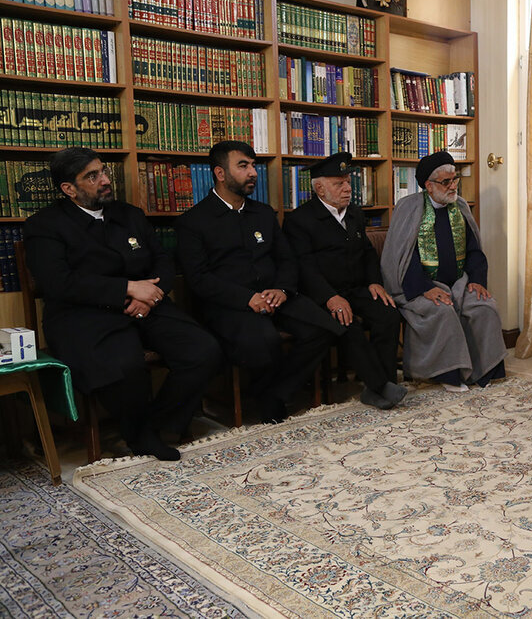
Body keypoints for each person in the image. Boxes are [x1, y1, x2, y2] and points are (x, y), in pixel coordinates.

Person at [174, 141, 405, 423]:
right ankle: (267, 399)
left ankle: (281, 391)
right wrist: (247, 298)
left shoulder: (262, 213)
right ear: (220, 174)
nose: (253, 173)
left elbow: (287, 259)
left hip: (278, 296)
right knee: (264, 339)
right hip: (231, 305)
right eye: (243, 166)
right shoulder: (193, 221)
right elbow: (199, 279)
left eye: (253, 165)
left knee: (329, 327)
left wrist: (283, 289)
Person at [24, 147, 222, 461]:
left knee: (203, 350)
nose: (105, 180)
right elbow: (58, 282)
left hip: (147, 306)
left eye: (103, 171)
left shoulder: (129, 214)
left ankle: (154, 424)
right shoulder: (44, 225)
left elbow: (162, 260)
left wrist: (151, 296)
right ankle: (140, 436)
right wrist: (128, 288)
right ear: (68, 189)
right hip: (84, 315)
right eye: (92, 176)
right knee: (126, 365)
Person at [282, 152, 405, 401]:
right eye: (339, 184)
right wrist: (330, 297)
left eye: (348, 181)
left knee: (389, 315)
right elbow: (304, 268)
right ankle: (380, 387)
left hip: (356, 288)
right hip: (323, 296)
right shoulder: (299, 220)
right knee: (348, 324)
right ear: (319, 188)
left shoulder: (355, 214)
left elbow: (368, 254)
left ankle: (385, 383)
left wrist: (374, 282)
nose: (348, 188)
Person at [381, 151, 506, 391]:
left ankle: (485, 371)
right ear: (428, 185)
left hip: (459, 282)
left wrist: (478, 280)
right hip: (419, 287)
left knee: (485, 306)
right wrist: (425, 288)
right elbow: (402, 258)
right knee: (443, 311)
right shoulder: (409, 208)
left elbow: (474, 250)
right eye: (445, 182)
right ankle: (448, 375)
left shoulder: (459, 206)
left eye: (455, 179)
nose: (452, 186)